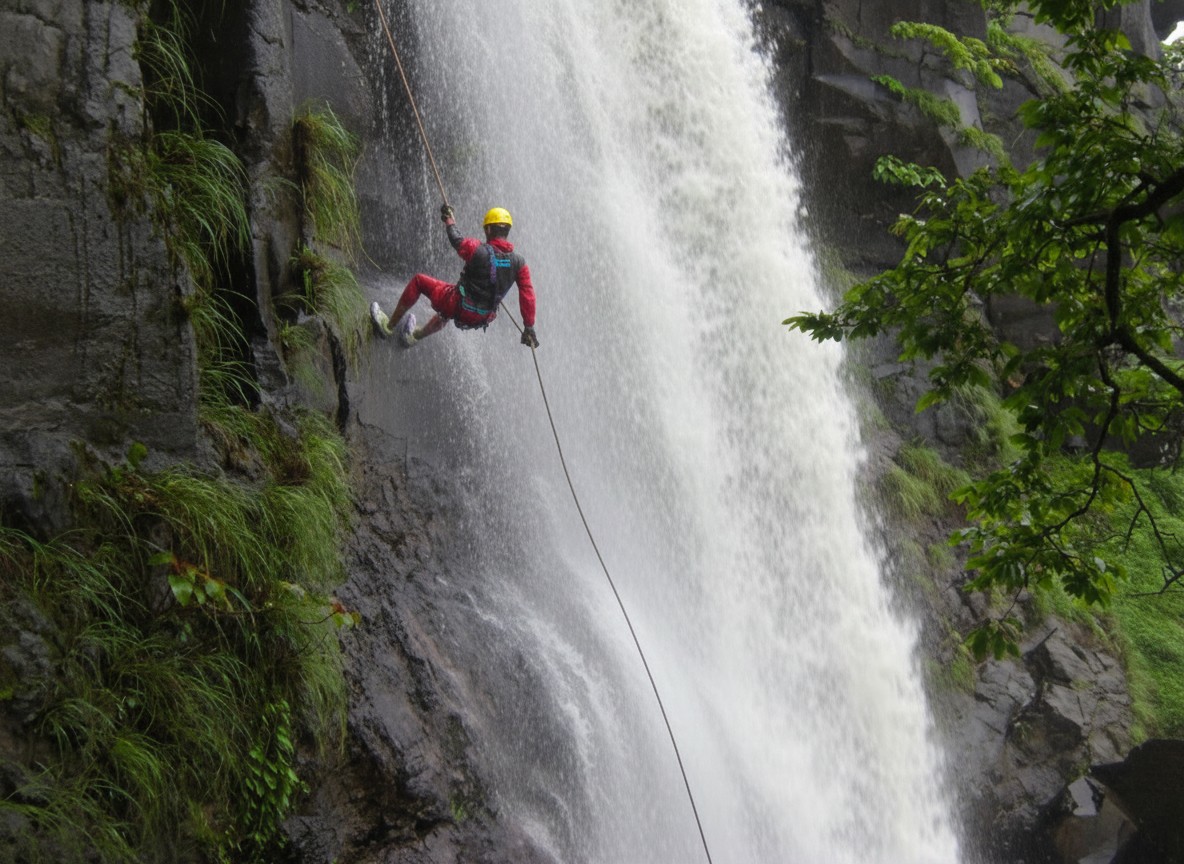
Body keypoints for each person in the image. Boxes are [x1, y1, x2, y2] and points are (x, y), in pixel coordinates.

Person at [371, 205, 538, 349]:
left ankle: (388, 326)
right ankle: (414, 336)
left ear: (487, 229)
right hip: (483, 316)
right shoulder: (519, 263)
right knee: (446, 311)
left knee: (419, 281)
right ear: (507, 231)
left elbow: (457, 240)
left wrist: (449, 221)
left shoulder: (477, 250)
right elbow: (528, 295)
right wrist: (529, 327)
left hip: (459, 305)